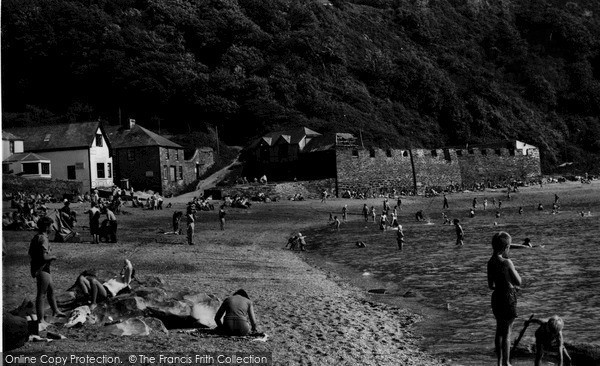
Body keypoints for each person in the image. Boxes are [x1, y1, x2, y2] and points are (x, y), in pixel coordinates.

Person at [487, 232, 522, 366]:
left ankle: (499, 362)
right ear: (507, 247)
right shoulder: (507, 262)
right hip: (508, 297)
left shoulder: (490, 262)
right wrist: (514, 279)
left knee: (499, 330)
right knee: (507, 332)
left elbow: (491, 285)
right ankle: (507, 363)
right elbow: (518, 281)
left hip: (496, 297)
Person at [29, 217, 66, 328]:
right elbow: (44, 257)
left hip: (42, 267)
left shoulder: (38, 237)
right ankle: (41, 319)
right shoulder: (43, 239)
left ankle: (55, 310)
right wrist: (52, 256)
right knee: (41, 294)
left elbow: (30, 252)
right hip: (42, 268)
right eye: (51, 225)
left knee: (51, 290)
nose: (52, 227)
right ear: (46, 227)